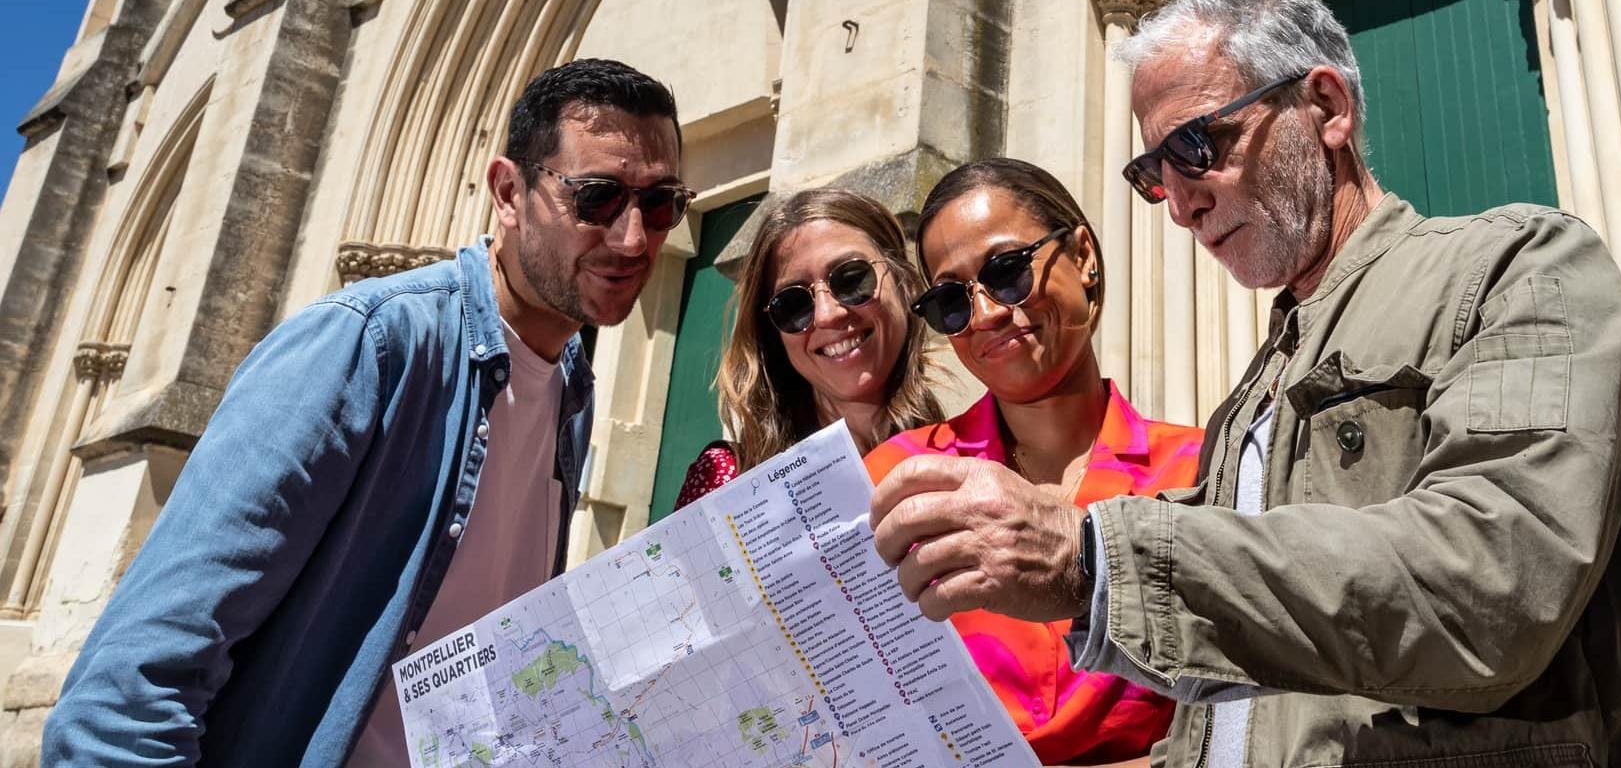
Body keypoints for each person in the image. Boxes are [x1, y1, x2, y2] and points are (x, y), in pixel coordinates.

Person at [869, 0, 1621, 766]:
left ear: (1325, 106)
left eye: (1198, 147)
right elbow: (1241, 711)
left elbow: (1495, 579)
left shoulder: (1518, 266)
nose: (1179, 203)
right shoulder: (1252, 394)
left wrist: (1092, 555)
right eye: (1153, 173)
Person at [43, 59, 689, 766]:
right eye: (597, 198)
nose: (634, 240)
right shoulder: (368, 344)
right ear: (508, 191)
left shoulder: (572, 387)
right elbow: (125, 694)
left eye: (660, 205)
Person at [866, 158, 1202, 768]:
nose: (988, 312)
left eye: (1007, 271)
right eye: (950, 301)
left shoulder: (1202, 469)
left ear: (1085, 256)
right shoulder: (901, 480)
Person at [673, 188, 944, 508]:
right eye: (793, 305)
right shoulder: (729, 487)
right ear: (773, 335)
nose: (827, 314)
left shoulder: (973, 454)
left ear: (906, 283)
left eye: (852, 278)